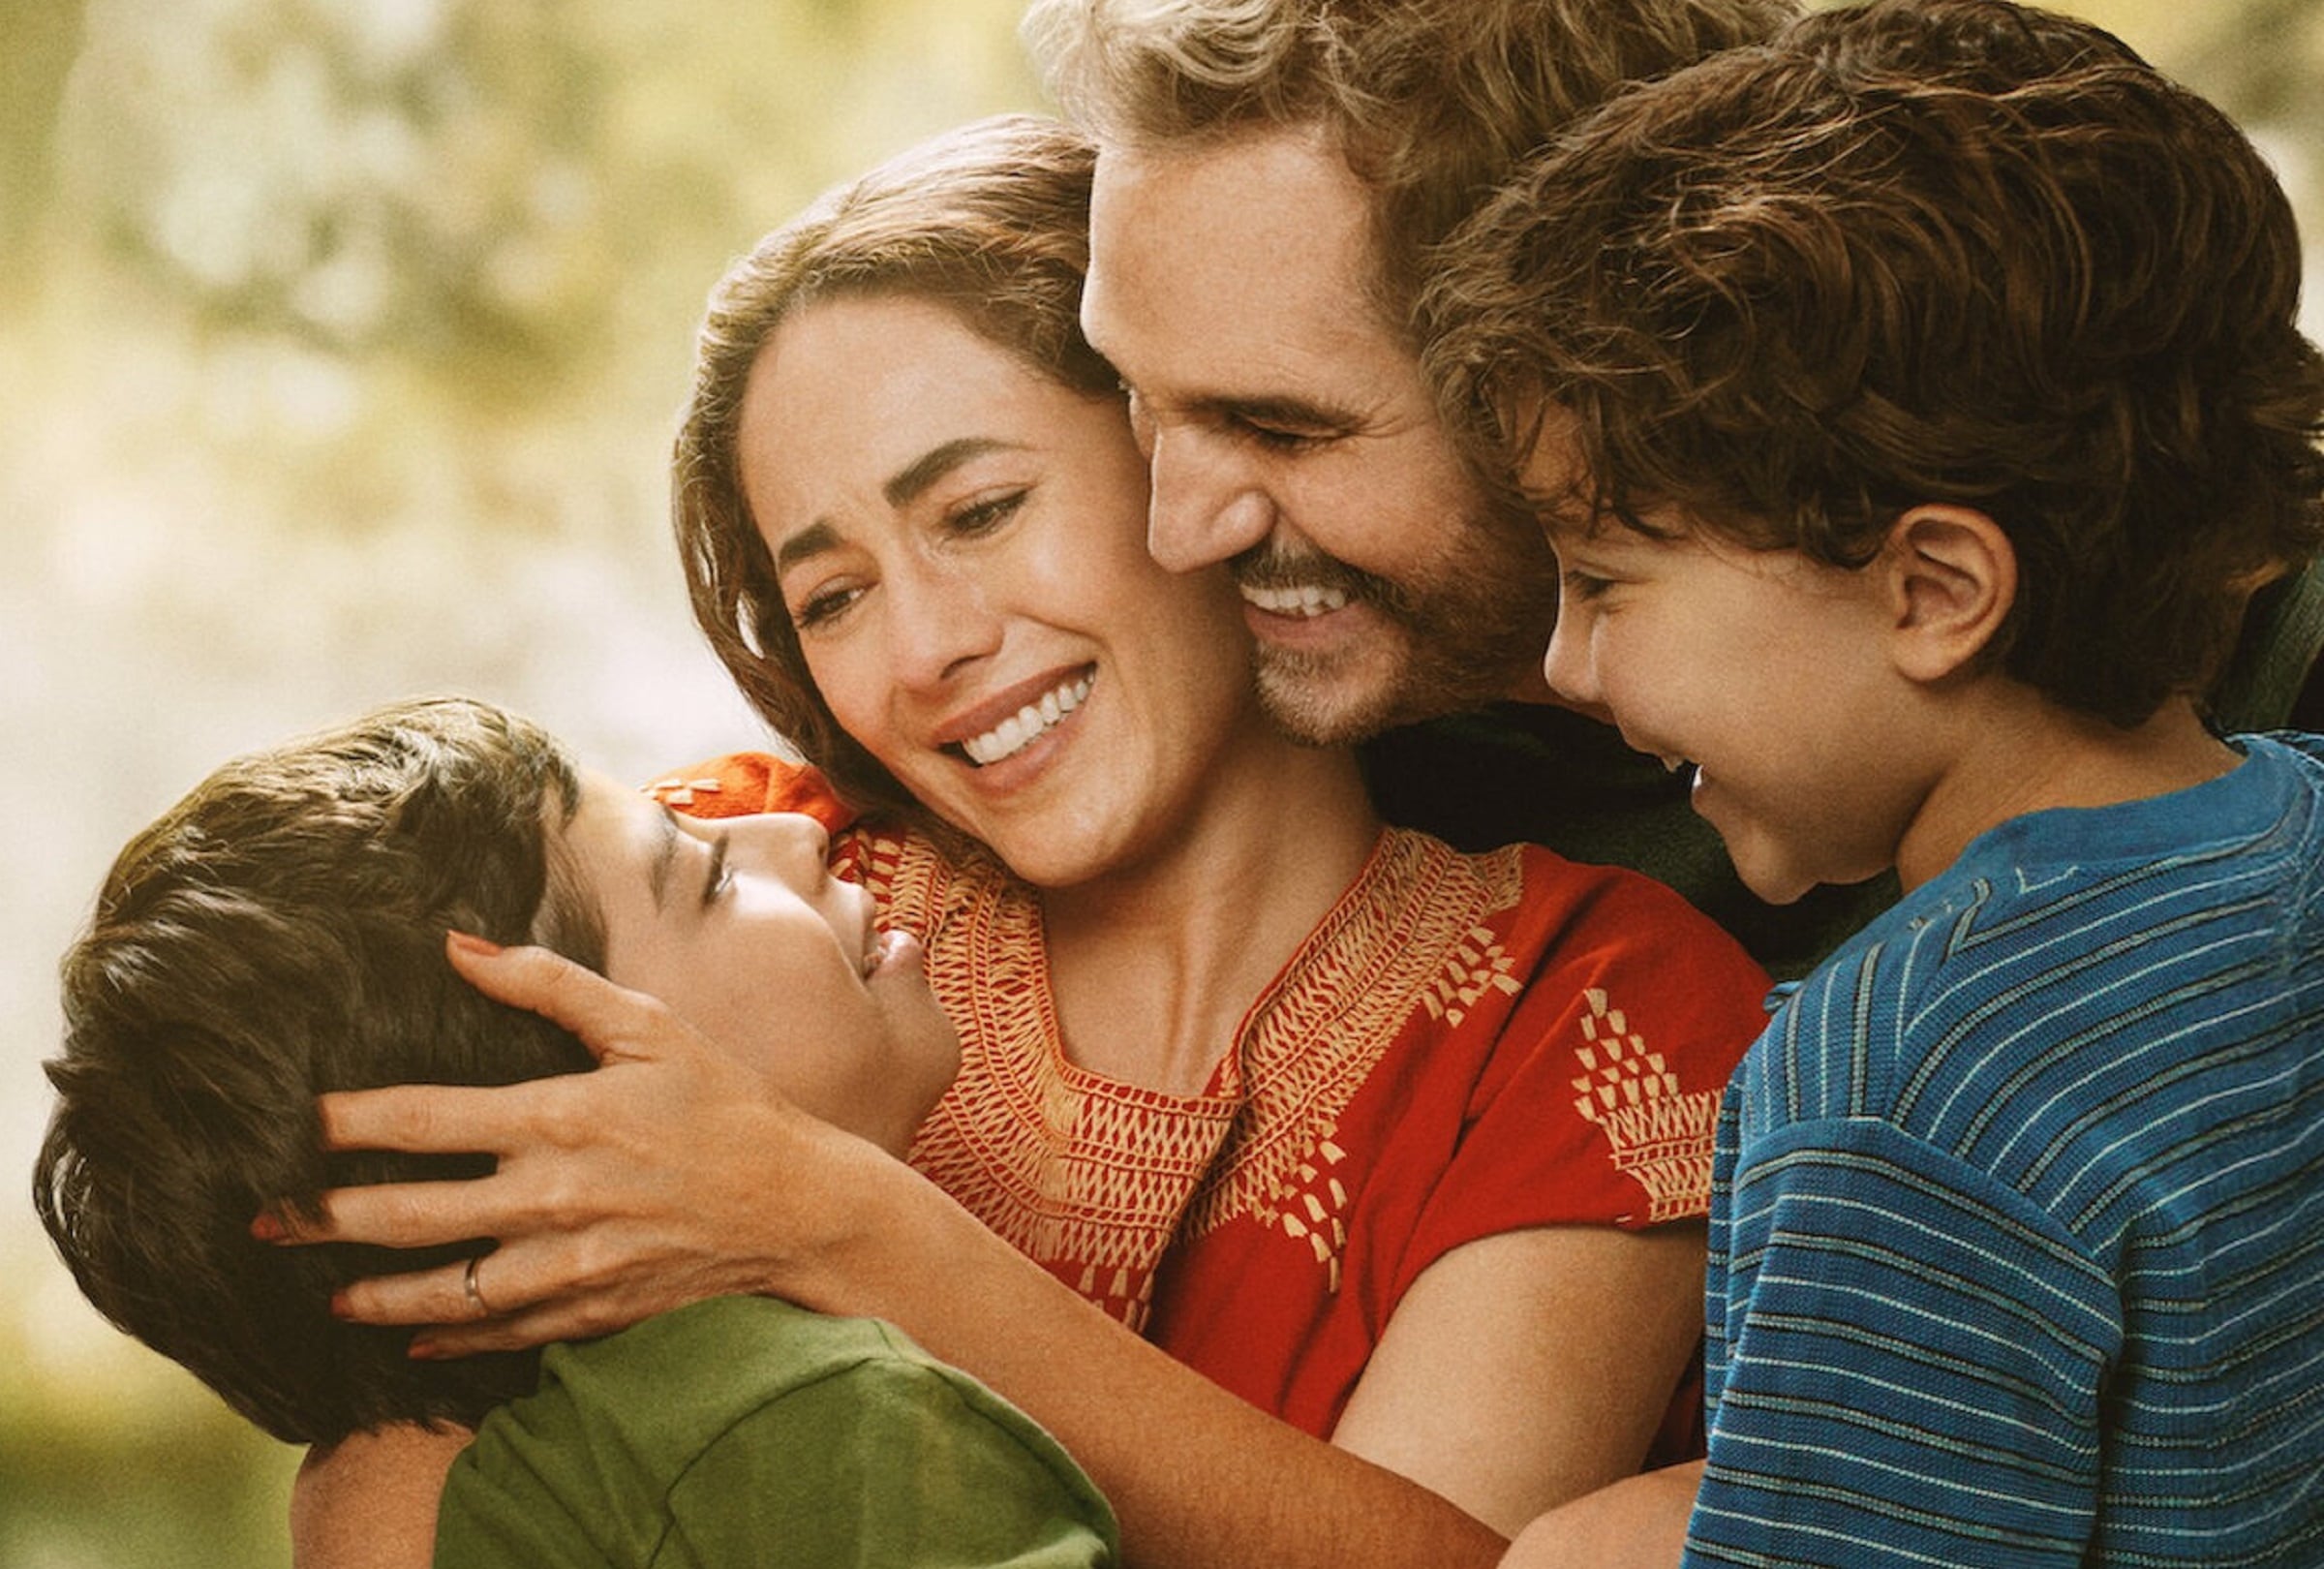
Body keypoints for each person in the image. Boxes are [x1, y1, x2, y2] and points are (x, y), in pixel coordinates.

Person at [278, 115, 1770, 1566]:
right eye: (835, 596)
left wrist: (840, 1226)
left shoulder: (1593, 1009)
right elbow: (384, 1463)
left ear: (1189, 462)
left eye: (981, 509)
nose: (923, 648)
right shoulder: (751, 869)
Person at [1415, 1, 2324, 1561]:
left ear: (1933, 594)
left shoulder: (1901, 1084)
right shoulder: (2300, 820)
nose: (1565, 668)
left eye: (1606, 581)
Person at [33, 695, 1118, 1568]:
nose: (796, 827)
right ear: (581, 1135)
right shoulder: (827, 1425)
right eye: (710, 880)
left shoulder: (479, 1487)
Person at [1023, 0, 1904, 977]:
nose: (1177, 534)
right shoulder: (1232, 757)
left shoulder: (1935, 837)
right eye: (1134, 390)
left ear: (1605, 376)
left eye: (1283, 430)